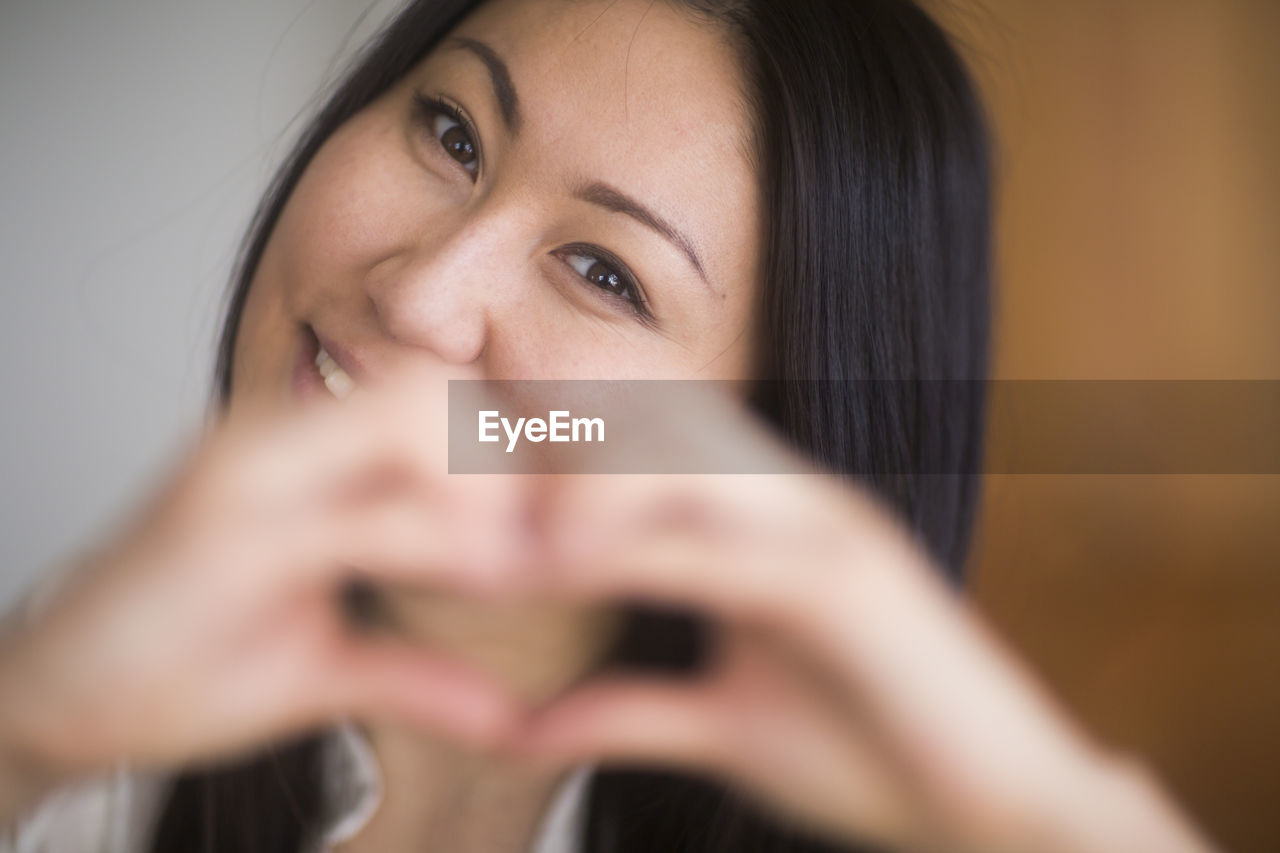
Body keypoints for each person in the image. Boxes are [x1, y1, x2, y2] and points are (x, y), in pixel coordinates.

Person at [0, 0, 1220, 851]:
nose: (420, 294)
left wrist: (1038, 818)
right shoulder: (68, 699)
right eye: (452, 132)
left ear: (767, 449)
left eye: (603, 271)